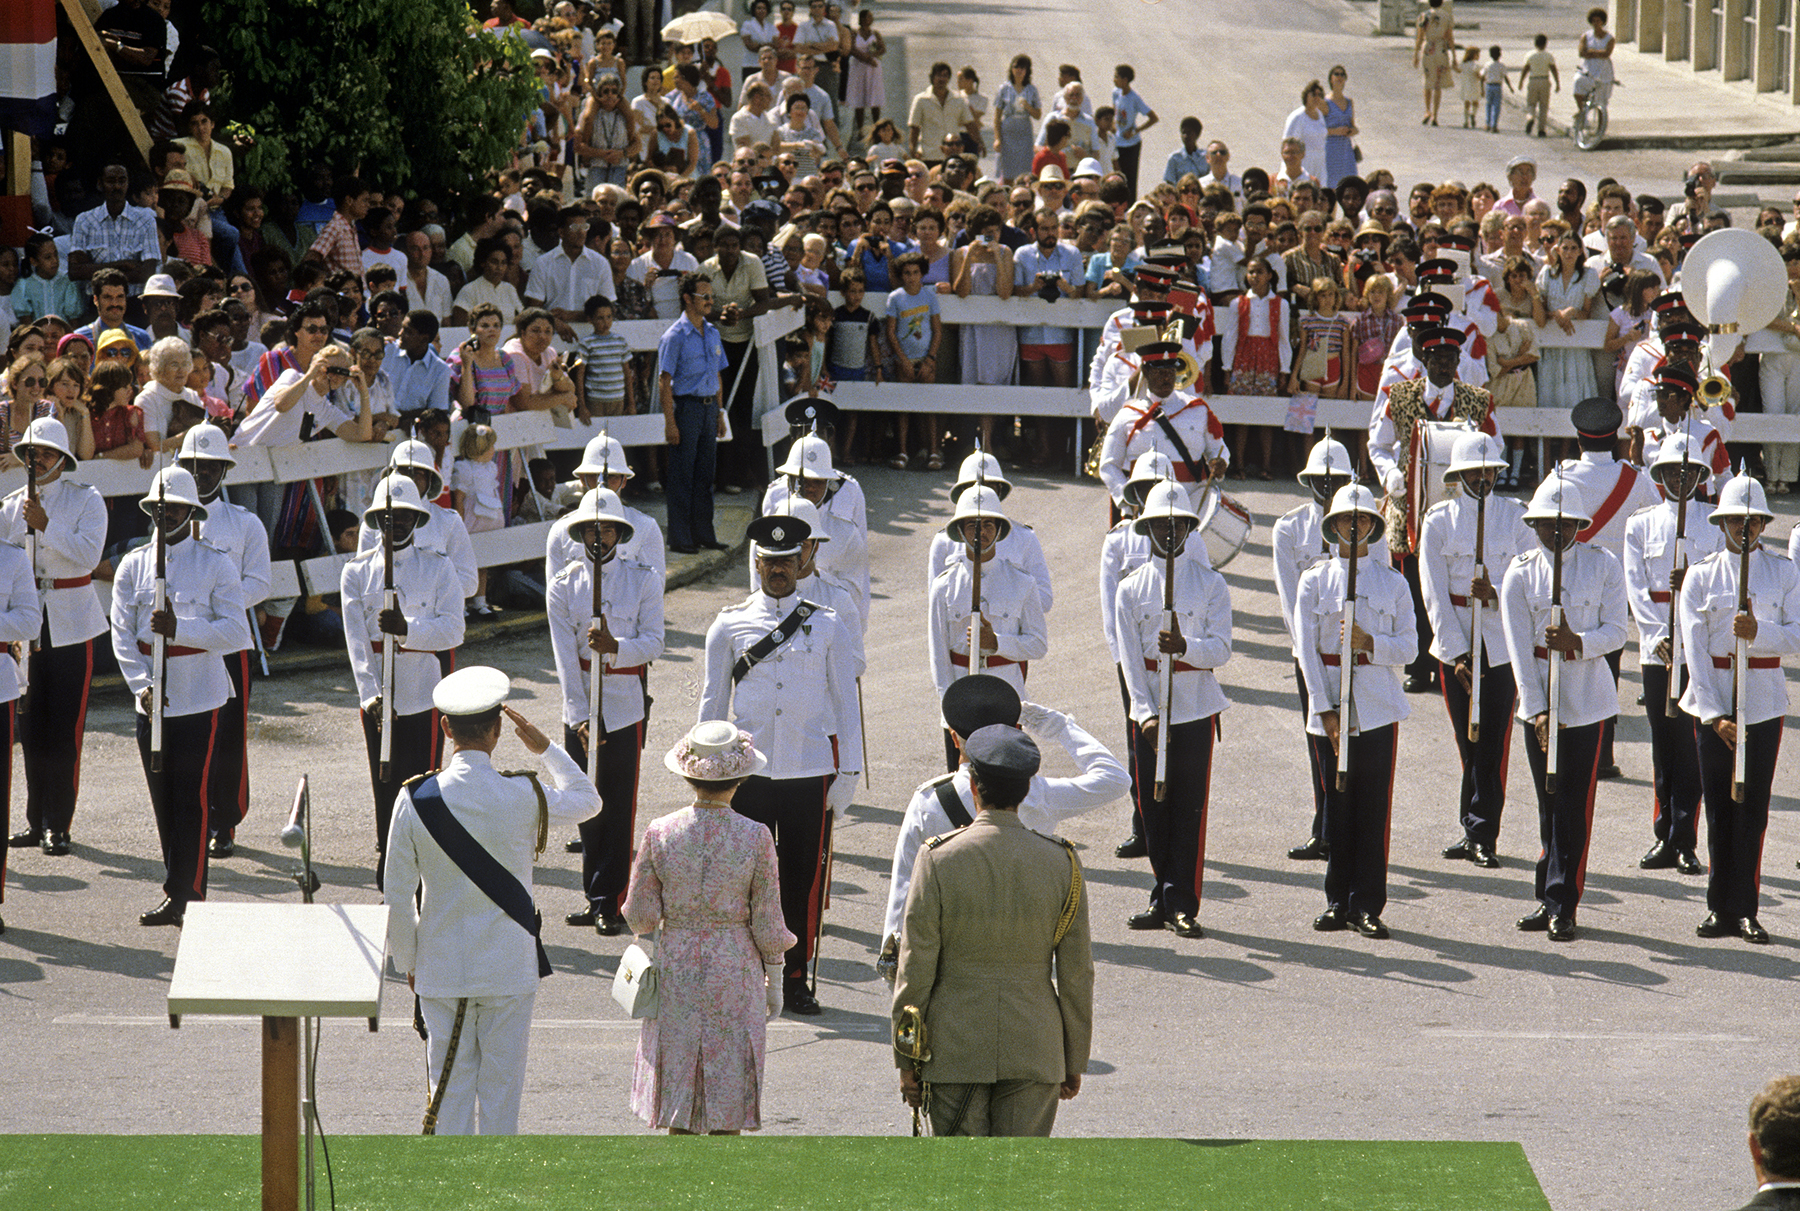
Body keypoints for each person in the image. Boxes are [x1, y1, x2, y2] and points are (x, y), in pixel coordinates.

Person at [384, 665, 601, 1136]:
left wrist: (410, 960)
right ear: (499, 730)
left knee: (448, 1095)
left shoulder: (414, 798)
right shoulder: (523, 792)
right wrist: (545, 747)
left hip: (440, 967)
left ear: (445, 728)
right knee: (502, 1099)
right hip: (508, 967)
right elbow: (589, 800)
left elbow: (396, 896)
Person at [891, 724, 1092, 1138]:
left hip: (954, 1045)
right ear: (1026, 789)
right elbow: (1076, 975)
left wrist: (906, 1057)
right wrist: (1074, 1058)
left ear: (974, 788)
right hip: (1035, 1045)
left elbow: (916, 967)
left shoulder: (939, 859)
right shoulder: (1062, 863)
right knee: (1018, 1184)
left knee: (963, 1184)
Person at [697, 514, 861, 1014]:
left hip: (809, 771)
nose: (778, 570)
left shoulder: (827, 624)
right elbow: (712, 702)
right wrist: (705, 771)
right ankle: (746, 973)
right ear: (757, 563)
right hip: (749, 775)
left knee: (798, 878)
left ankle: (793, 977)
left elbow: (846, 700)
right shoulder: (728, 624)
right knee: (743, 878)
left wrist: (848, 770)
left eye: (787, 561)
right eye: (769, 562)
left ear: (801, 562)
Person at [877, 674, 1125, 980]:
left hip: (953, 962)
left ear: (954, 739)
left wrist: (896, 966)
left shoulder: (928, 801)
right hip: (1024, 959)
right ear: (1014, 733)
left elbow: (904, 889)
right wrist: (1060, 727)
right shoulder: (1039, 794)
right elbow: (1115, 779)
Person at [623, 721, 795, 1134]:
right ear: (741, 779)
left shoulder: (660, 831)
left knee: (679, 1077)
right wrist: (776, 978)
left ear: (688, 775)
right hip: (734, 966)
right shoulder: (755, 837)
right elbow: (768, 918)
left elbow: (640, 915)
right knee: (729, 1086)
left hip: (678, 961)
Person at [110, 466, 250, 927]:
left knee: (190, 794)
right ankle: (176, 883)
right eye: (159, 508)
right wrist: (141, 686)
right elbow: (122, 634)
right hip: (152, 698)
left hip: (198, 696)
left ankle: (186, 895)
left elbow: (236, 631)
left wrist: (181, 629)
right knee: (162, 795)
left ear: (192, 513)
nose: (166, 515)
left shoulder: (215, 562)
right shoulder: (133, 564)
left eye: (175, 508)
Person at [1501, 471, 1627, 944]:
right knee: (1547, 803)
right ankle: (1547, 894)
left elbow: (1617, 630)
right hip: (1540, 702)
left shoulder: (1603, 565)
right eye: (1548, 526)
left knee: (1574, 806)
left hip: (1587, 701)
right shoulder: (1520, 572)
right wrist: (1536, 711)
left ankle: (1563, 903)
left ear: (1580, 525)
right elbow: (1517, 647)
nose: (1557, 534)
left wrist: (1578, 642)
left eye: (1567, 525)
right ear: (1534, 526)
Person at [1680, 472, 1800, 945]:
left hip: (1764, 701)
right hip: (1713, 701)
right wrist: (1714, 715)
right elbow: (1693, 649)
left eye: (1754, 522)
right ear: (1723, 521)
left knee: (1752, 807)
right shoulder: (1701, 574)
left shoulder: (1785, 572)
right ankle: (1717, 907)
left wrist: (1760, 634)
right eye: (1737, 521)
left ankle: (1745, 907)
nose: (1745, 529)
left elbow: (1797, 632)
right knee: (1717, 806)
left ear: (1764, 524)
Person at [1294, 484, 1416, 939]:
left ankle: (1367, 903)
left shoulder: (1393, 582)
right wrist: (1323, 711)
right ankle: (1335, 900)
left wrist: (1371, 643)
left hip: (1378, 707)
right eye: (1346, 519)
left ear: (1374, 526)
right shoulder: (1314, 579)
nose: (1354, 525)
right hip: (1329, 705)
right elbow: (1306, 650)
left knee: (1372, 807)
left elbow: (1410, 645)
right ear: (1332, 526)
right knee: (1337, 806)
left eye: (1363, 519)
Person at [1116, 480, 1231, 939]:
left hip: (1194, 706)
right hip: (1150, 712)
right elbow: (1128, 658)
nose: (1168, 533)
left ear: (1188, 527)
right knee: (1152, 807)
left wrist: (1186, 648)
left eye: (1176, 525)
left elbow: (1222, 649)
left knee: (1188, 808)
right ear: (1146, 528)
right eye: (1158, 525)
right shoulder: (1130, 589)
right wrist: (1144, 712)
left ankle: (1182, 901)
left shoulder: (1211, 583)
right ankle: (1160, 895)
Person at [546, 488, 665, 934]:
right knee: (585, 804)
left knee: (618, 806)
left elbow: (656, 641)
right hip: (580, 704)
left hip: (623, 703)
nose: (600, 536)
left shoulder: (643, 579)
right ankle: (593, 895)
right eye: (591, 529)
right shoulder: (564, 585)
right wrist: (578, 716)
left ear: (620, 532)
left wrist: (617, 647)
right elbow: (562, 655)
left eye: (608, 528)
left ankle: (613, 902)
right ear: (579, 533)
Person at [342, 476, 467, 888]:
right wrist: (371, 695)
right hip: (380, 698)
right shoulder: (356, 573)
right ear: (376, 519)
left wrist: (407, 629)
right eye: (386, 517)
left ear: (417, 518)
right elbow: (357, 643)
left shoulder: (438, 567)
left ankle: (423, 869)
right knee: (385, 785)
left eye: (404, 516)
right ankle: (389, 867)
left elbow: (453, 631)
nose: (395, 523)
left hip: (421, 694)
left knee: (423, 785)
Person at [1418, 433, 1534, 867]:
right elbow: (1432, 592)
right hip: (1459, 642)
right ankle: (1470, 826)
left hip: (1502, 641)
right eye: (1475, 472)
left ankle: (1484, 832)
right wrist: (1456, 651)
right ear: (1459, 475)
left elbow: (1532, 583)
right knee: (1466, 739)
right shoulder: (1439, 521)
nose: (1483, 479)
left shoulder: (1515, 518)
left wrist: (1498, 592)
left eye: (1490, 472)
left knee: (1493, 741)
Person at [2, 419, 105, 858]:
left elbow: (88, 556)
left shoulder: (86, 500)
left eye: (45, 453)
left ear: (62, 460)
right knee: (30, 727)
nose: (36, 460)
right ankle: (33, 819)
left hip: (70, 620)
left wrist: (45, 525)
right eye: (30, 452)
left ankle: (57, 824)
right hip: (24, 628)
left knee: (63, 729)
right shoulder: (8, 506)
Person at [1624, 434, 1719, 877]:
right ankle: (1663, 832)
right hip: (1657, 647)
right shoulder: (1640, 524)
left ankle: (1686, 837)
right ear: (1658, 477)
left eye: (1688, 472)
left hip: (1696, 646)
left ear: (1700, 476)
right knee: (1664, 744)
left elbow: (1719, 585)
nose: (1679, 479)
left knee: (1692, 743)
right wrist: (1658, 633)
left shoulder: (1714, 522)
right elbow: (1635, 585)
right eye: (1669, 472)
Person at [176, 424, 271, 859]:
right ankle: (187, 814)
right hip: (179, 640)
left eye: (210, 468)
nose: (201, 476)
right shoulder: (167, 519)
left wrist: (222, 607)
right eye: (193, 467)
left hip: (229, 640)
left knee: (228, 731)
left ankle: (224, 820)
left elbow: (260, 582)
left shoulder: (244, 523)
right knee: (187, 731)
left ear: (224, 471)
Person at [927, 485, 1049, 769]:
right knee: (962, 788)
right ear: (960, 531)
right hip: (960, 694)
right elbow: (937, 655)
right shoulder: (943, 586)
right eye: (972, 525)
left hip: (1005, 694)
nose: (980, 532)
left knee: (1005, 787)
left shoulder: (1022, 582)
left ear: (1000, 530)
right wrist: (950, 709)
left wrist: (995, 642)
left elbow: (1038, 644)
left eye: (988, 525)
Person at [1096, 341, 1229, 506]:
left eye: (1171, 371)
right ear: (1145, 372)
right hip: (1145, 509)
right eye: (1159, 373)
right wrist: (1128, 501)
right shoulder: (1127, 415)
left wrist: (1220, 461)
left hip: (1192, 505)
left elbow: (1217, 448)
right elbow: (1108, 465)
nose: (1166, 378)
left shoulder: (1198, 410)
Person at [658, 272, 731, 556]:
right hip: (686, 408)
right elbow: (665, 380)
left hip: (708, 407)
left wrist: (720, 412)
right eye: (705, 297)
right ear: (688, 299)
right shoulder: (674, 336)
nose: (710, 301)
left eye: (711, 296)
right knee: (682, 475)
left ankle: (704, 534)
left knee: (705, 476)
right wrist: (670, 422)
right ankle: (680, 537)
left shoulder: (712, 332)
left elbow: (717, 374)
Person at [1413, 0, 1456, 126]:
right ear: (1441, 3)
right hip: (1440, 49)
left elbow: (1420, 37)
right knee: (1438, 83)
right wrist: (1454, 55)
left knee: (1427, 81)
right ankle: (1436, 116)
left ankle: (1427, 110)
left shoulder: (1423, 16)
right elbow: (1450, 37)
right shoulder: (1447, 16)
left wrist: (1415, 54)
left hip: (1428, 49)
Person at [1322, 67, 1358, 189]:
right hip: (1330, 149)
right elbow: (1318, 129)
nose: (1339, 77)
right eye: (1336, 74)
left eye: (1342, 74)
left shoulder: (1349, 102)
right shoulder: (1325, 103)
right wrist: (1335, 131)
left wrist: (1352, 131)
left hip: (1346, 149)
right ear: (1331, 79)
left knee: (1348, 186)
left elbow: (1354, 126)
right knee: (1331, 187)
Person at [1519, 35, 1560, 137]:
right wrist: (1557, 83)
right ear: (1545, 44)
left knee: (1531, 104)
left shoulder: (1530, 55)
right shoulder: (1548, 56)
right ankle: (1541, 129)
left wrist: (1521, 81)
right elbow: (1553, 69)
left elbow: (1526, 69)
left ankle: (1530, 117)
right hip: (1544, 80)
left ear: (1535, 43)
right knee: (1543, 106)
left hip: (1533, 80)